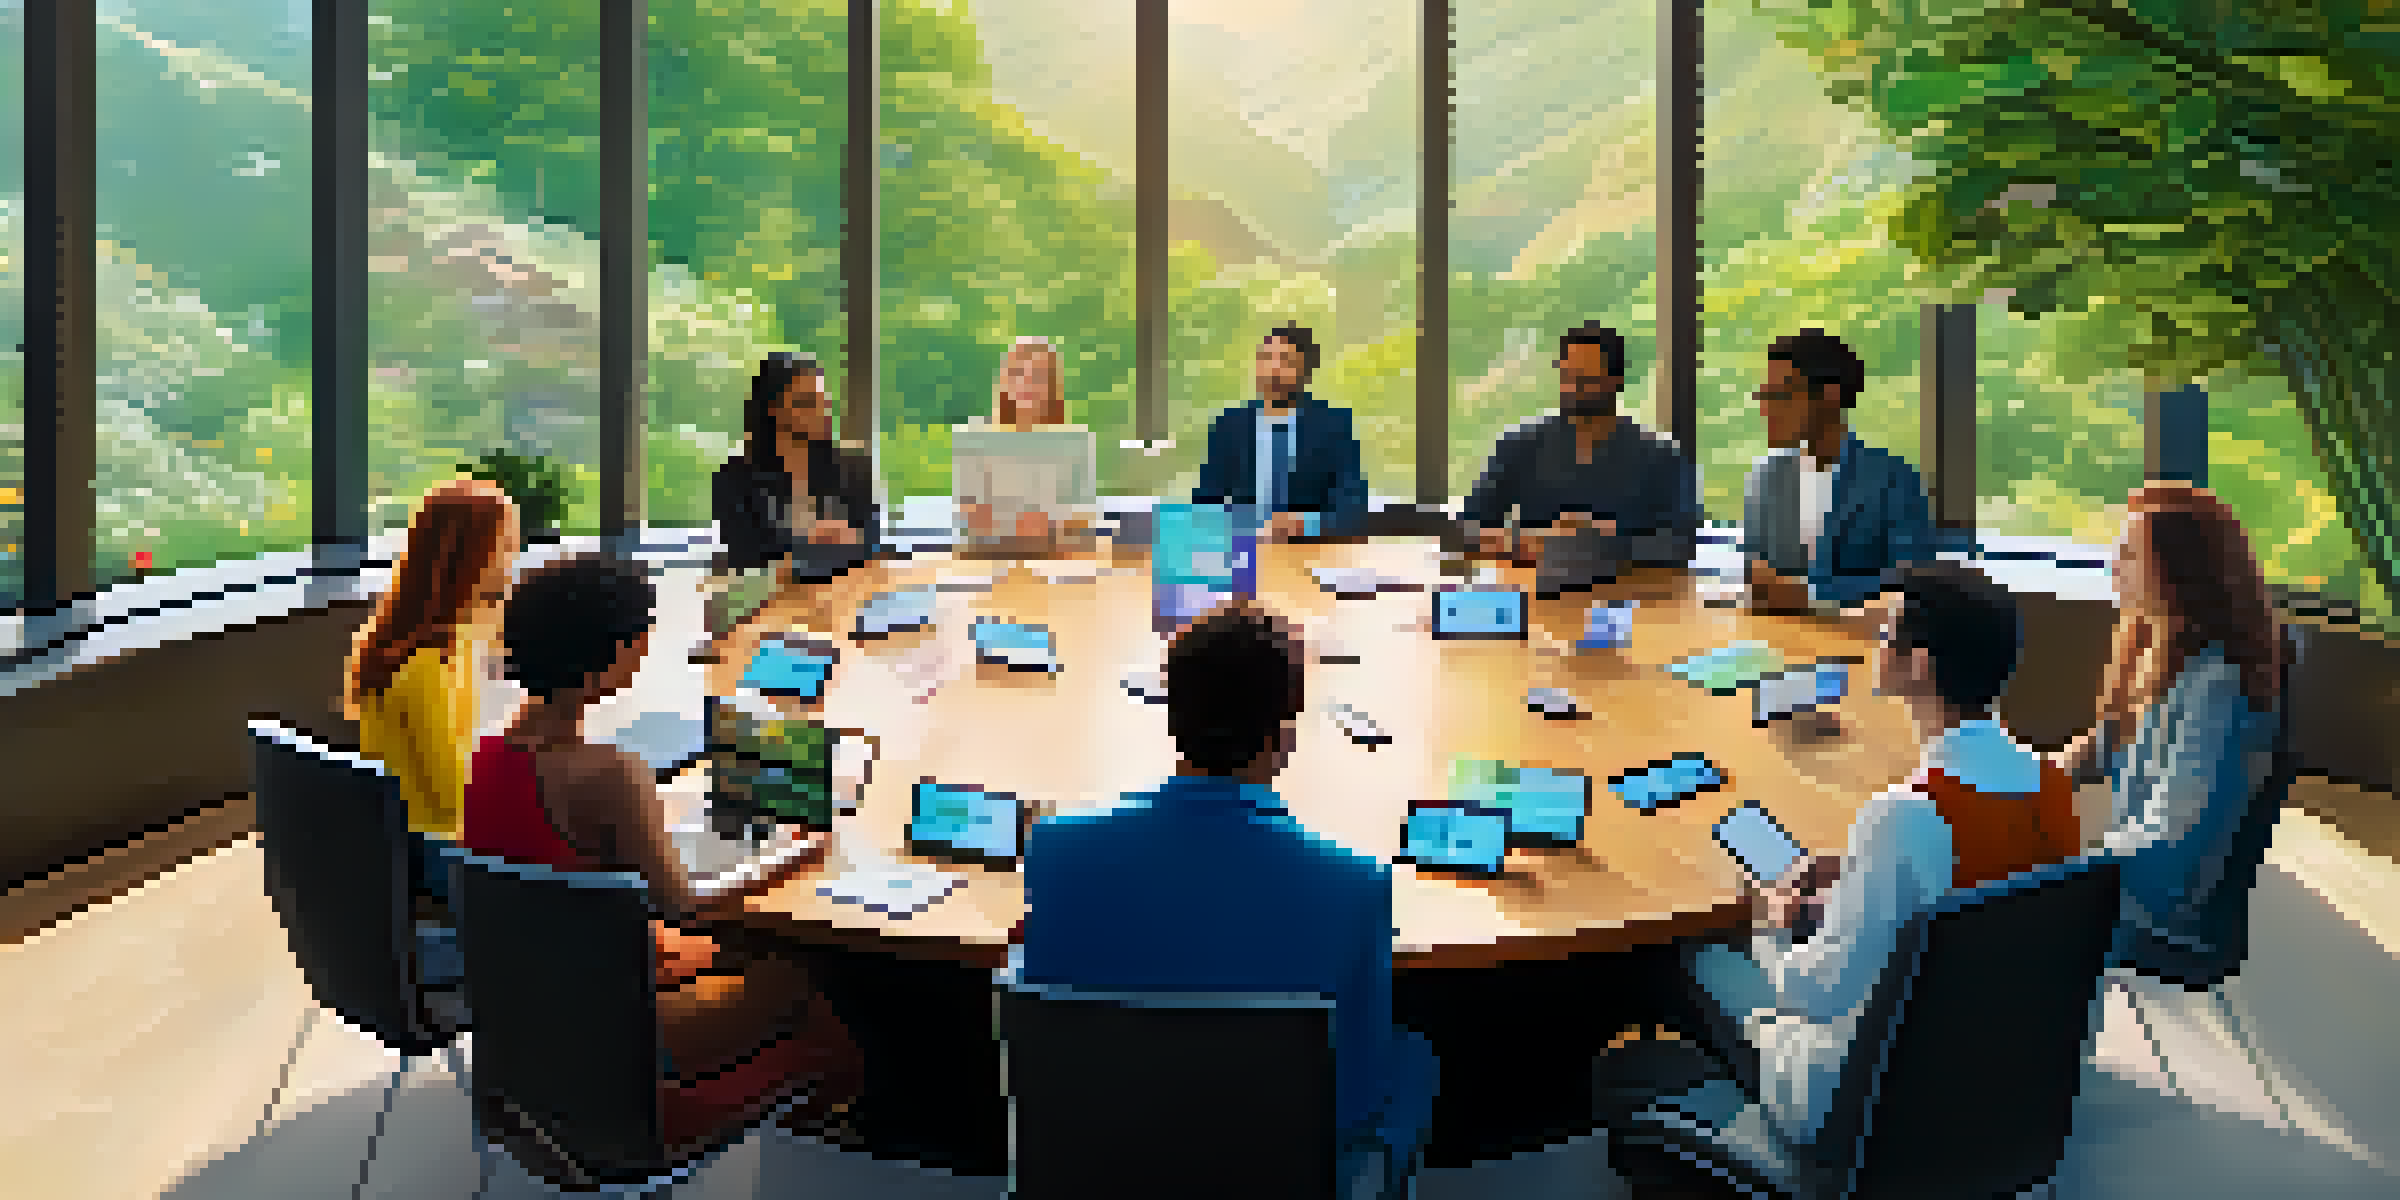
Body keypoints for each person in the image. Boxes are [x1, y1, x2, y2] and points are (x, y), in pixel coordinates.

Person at [1016, 602, 1437, 1195]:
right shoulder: (1355, 884)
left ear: (1171, 718)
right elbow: (1356, 1099)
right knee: (1417, 1061)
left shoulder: (1058, 851)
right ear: (1283, 732)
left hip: (1103, 1164)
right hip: (1274, 1176)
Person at [463, 554, 863, 1131]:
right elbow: (685, 905)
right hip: (616, 1037)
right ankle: (843, 1118)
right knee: (801, 974)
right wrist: (794, 854)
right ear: (618, 654)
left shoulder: (490, 756)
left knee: (729, 952)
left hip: (533, 1013)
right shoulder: (609, 772)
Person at [1674, 562, 2062, 1149]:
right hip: (2002, 1075)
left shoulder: (1903, 816)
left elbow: (1819, 993)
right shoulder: (2056, 790)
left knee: (1703, 954)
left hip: (1867, 1098)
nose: (1876, 643)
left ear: (1920, 665)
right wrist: (1858, 877)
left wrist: (1770, 923)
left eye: (1886, 635)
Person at [2050, 483, 2282, 976]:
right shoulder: (2156, 648)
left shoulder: (2218, 687)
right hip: (2121, 889)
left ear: (2180, 572)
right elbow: (2104, 744)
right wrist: (2023, 781)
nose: (2114, 564)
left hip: (2154, 920)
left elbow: (2168, 844)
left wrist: (2053, 877)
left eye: (2130, 554)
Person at [345, 476, 520, 911]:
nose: (514, 557)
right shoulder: (424, 661)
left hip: (432, 832)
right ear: (469, 555)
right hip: (438, 845)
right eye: (506, 543)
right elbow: (452, 793)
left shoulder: (452, 629)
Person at [1460, 322, 1702, 569]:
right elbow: (1468, 528)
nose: (1573, 388)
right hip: (1539, 594)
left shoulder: (1662, 456)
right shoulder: (1519, 445)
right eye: (1567, 377)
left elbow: (1684, 543)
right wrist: (1523, 543)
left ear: (1616, 380)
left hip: (1634, 595)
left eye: (1587, 379)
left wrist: (1598, 540)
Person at [1741, 328, 1934, 614]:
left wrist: (1810, 596)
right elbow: (1756, 569)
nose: (1766, 410)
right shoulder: (1766, 477)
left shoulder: (1893, 480)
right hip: (1775, 639)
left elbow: (1911, 584)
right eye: (1763, 396)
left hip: (1861, 643)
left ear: (1830, 396)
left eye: (1781, 396)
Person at [1191, 323, 1370, 541]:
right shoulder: (1229, 425)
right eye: (1265, 359)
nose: (1273, 370)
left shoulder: (1334, 425)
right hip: (1243, 550)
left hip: (1310, 549)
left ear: (1307, 371)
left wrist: (1304, 523)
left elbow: (1353, 510)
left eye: (1286, 362)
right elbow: (1205, 503)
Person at [714, 352, 881, 575]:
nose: (821, 412)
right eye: (806, 402)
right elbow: (745, 559)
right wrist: (809, 541)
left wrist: (842, 541)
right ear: (773, 408)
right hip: (776, 602)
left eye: (824, 402)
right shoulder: (735, 477)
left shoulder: (853, 468)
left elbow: (872, 546)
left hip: (849, 596)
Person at [953, 336, 1098, 552]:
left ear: (1051, 385)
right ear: (1004, 380)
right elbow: (970, 519)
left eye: (1038, 375)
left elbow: (1083, 520)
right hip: (989, 561)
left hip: (1058, 560)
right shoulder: (973, 438)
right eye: (1017, 373)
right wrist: (1038, 524)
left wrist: (1048, 526)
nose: (1025, 383)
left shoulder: (1076, 441)